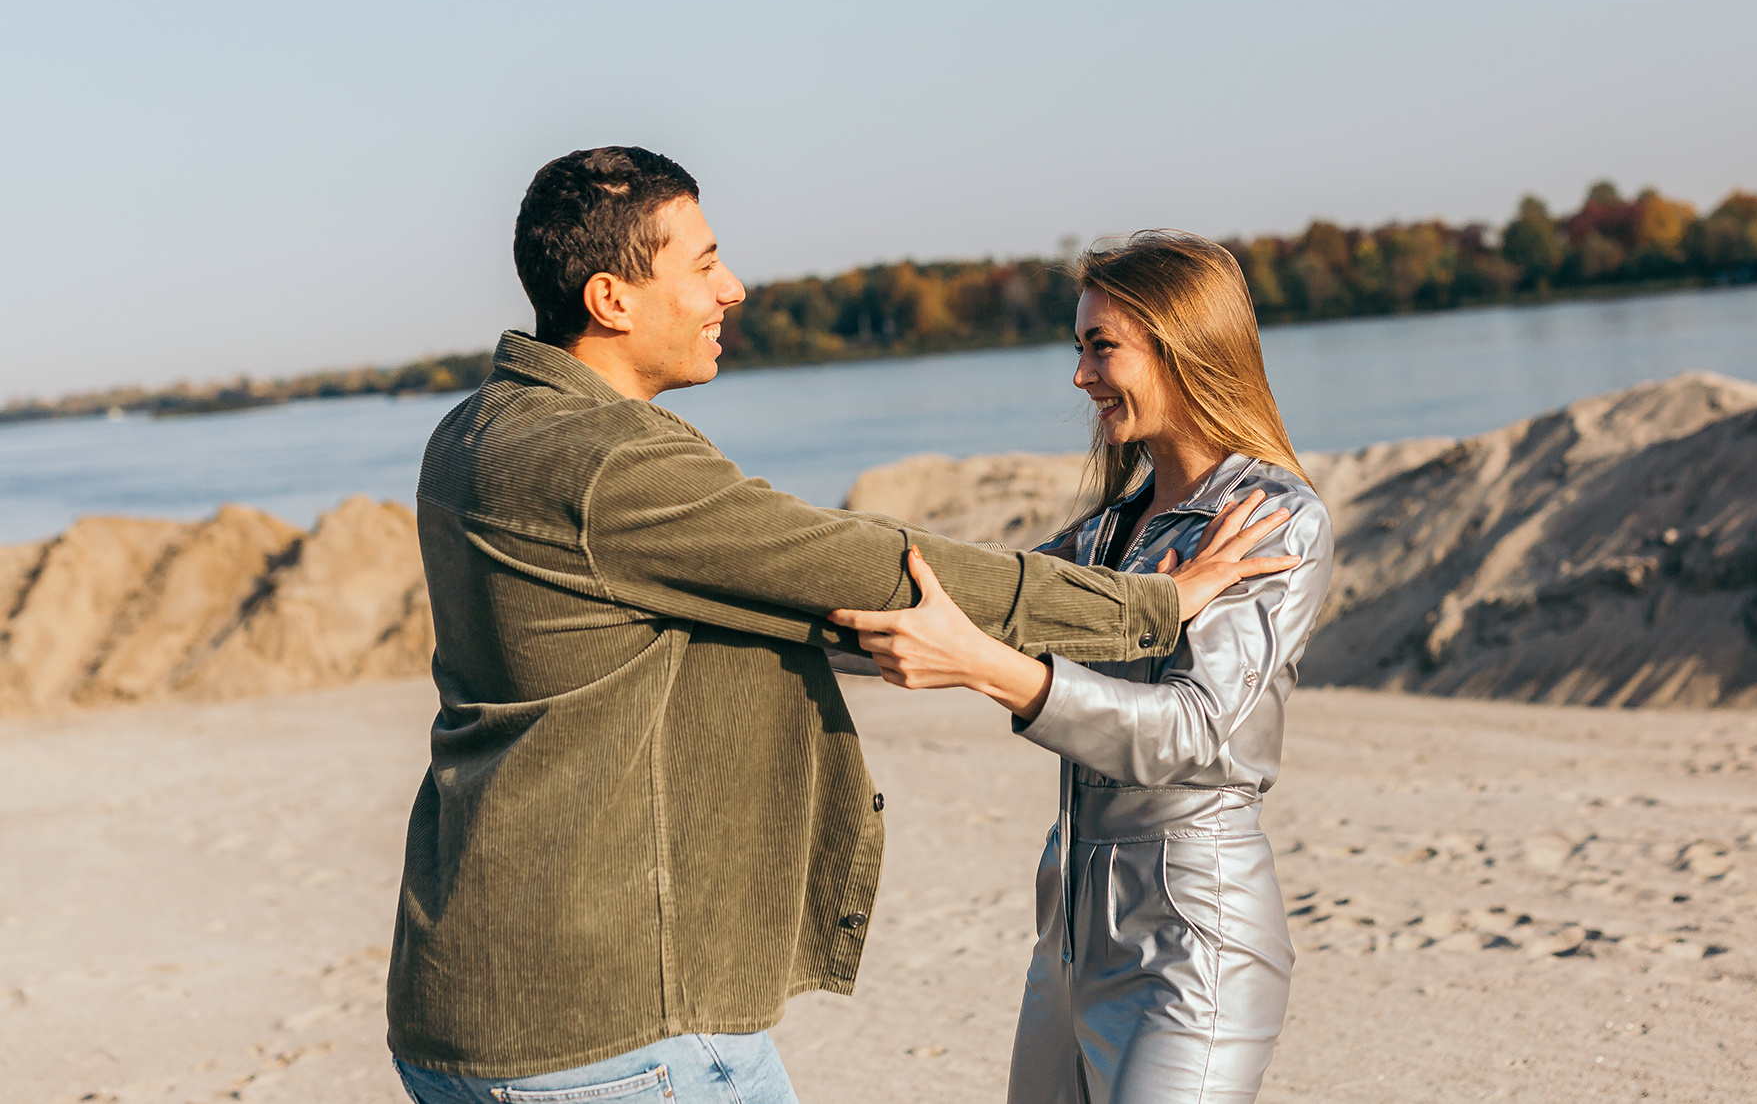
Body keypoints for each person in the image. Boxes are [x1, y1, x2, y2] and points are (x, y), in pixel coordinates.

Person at [385, 151, 1299, 1104]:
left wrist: (965, 645)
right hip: (611, 1025)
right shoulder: (607, 462)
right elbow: (865, 567)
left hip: (469, 1004)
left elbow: (790, 609)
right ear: (612, 298)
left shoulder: (473, 432)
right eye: (702, 264)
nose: (730, 288)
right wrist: (1152, 604)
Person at [831, 231, 1335, 1103]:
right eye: (1080, 347)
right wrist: (750, 606)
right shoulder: (1106, 532)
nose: (1080, 376)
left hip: (1190, 943)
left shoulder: (1273, 518)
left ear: (1186, 345)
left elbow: (1192, 730)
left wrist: (988, 669)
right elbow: (952, 604)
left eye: (1102, 346)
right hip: (1066, 945)